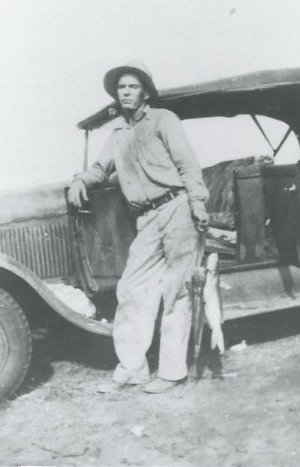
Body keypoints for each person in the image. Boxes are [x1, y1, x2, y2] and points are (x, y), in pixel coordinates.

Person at [68, 61, 209, 393]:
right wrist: (79, 179)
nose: (126, 91)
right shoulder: (117, 134)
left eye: (133, 86)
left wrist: (198, 203)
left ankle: (172, 372)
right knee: (131, 289)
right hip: (145, 219)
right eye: (121, 87)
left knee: (176, 290)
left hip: (177, 208)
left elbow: (187, 163)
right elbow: (100, 168)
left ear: (145, 91)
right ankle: (134, 367)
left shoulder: (163, 120)